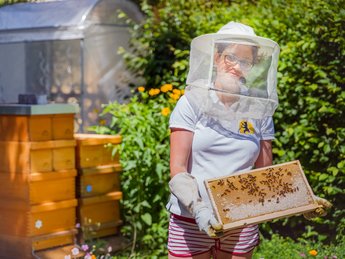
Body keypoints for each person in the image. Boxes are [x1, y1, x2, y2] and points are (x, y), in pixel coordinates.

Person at [166, 22, 331, 259]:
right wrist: (200, 210)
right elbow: (178, 169)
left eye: (245, 61)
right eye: (231, 57)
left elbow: (264, 173)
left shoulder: (258, 109)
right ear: (216, 56)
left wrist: (301, 200)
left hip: (241, 219)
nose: (236, 66)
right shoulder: (191, 102)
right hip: (190, 221)